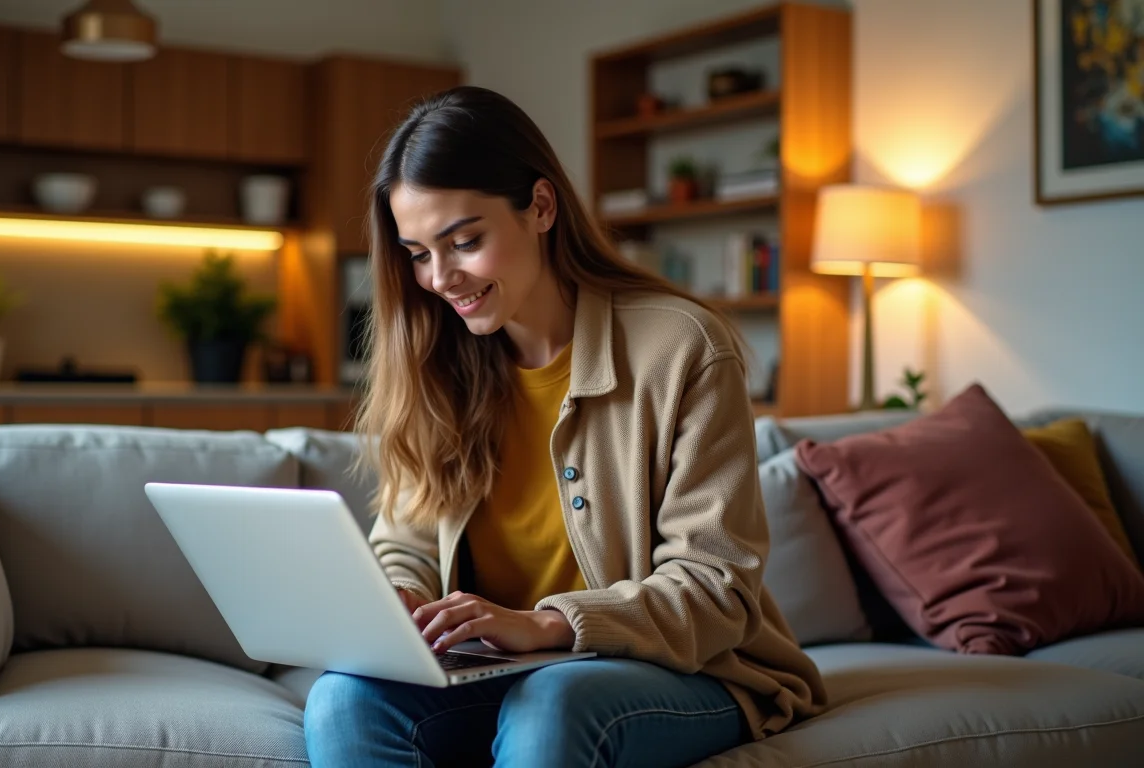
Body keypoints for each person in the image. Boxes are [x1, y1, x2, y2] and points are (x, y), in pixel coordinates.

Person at [303, 85, 825, 768]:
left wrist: (546, 626)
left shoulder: (683, 347)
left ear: (541, 207)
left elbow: (713, 590)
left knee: (554, 703)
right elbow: (406, 539)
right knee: (342, 703)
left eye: (464, 241)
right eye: (418, 252)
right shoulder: (433, 361)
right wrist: (399, 599)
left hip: (686, 670)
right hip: (495, 672)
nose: (439, 278)